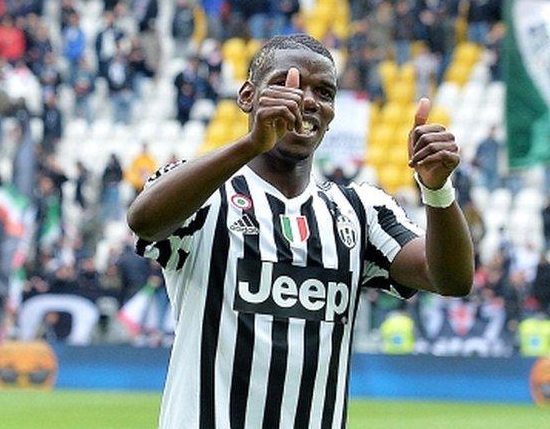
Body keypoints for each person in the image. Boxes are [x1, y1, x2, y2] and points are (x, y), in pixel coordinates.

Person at [127, 34, 474, 429]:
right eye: (285, 83)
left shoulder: (362, 211)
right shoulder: (207, 195)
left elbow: (451, 279)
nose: (306, 100)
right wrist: (252, 144)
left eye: (323, 92)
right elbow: (144, 221)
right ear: (247, 97)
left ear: (331, 112)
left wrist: (437, 189)